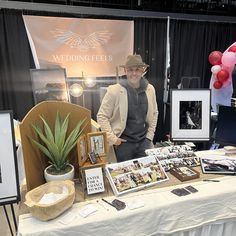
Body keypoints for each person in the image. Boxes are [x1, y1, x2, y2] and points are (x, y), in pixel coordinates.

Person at [97, 54, 158, 162]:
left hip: (144, 143)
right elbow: (102, 116)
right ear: (125, 70)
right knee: (123, 175)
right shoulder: (114, 91)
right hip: (123, 145)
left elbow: (154, 113)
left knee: (145, 175)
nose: (134, 73)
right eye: (130, 70)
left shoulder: (150, 89)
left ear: (143, 70)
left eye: (137, 70)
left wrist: (149, 136)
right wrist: (113, 139)